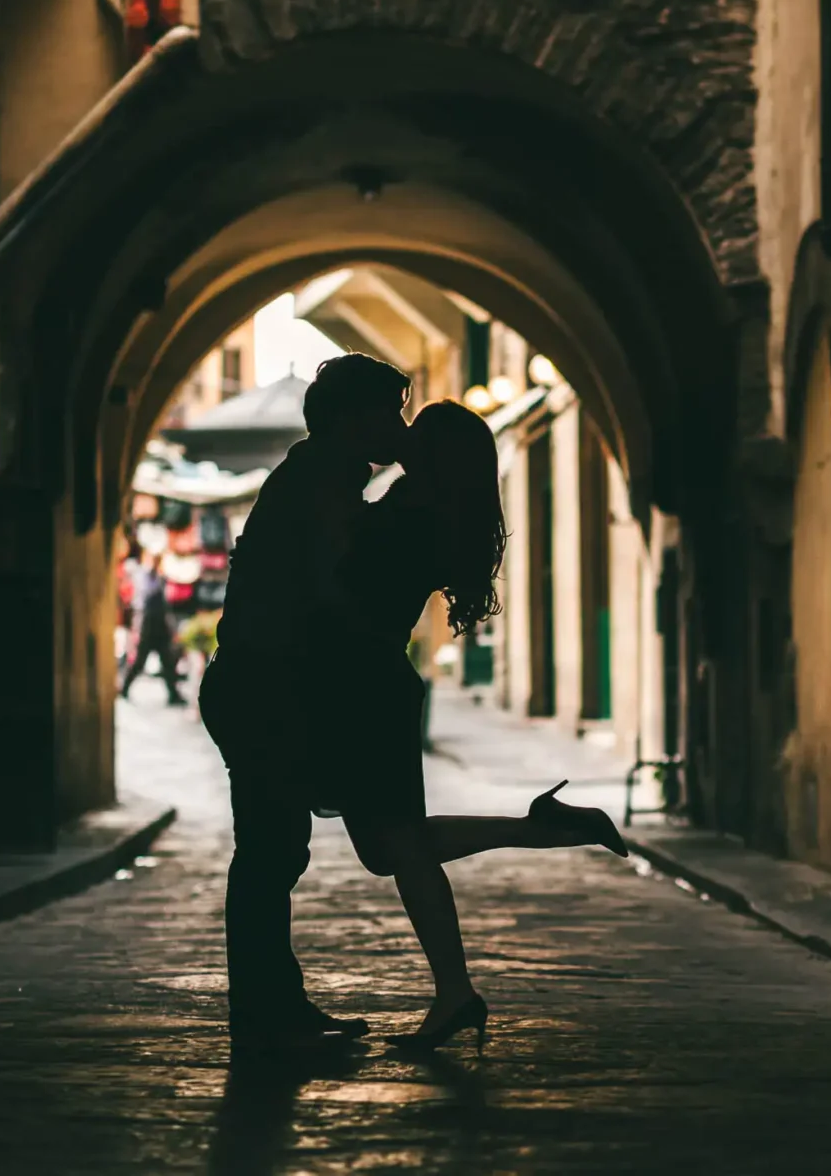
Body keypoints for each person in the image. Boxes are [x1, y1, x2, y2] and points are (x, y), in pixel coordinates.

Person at [320, 399, 628, 1056]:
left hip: (363, 689)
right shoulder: (436, 514)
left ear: (432, 454)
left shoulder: (408, 513)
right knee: (390, 848)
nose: (403, 436)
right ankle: (543, 830)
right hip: (375, 684)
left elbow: (341, 583)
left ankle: (456, 990)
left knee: (395, 848)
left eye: (417, 433)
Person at [199, 353, 413, 1055]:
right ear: (357, 420)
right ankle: (264, 1011)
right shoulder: (322, 481)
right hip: (264, 689)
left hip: (262, 686)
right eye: (394, 411)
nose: (401, 425)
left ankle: (272, 1004)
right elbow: (337, 588)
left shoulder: (324, 476)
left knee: (272, 850)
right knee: (269, 851)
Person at [121, 547, 186, 706]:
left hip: (159, 626)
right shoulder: (146, 576)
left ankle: (173, 694)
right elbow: (146, 596)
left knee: (168, 662)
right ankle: (125, 687)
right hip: (149, 625)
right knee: (140, 661)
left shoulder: (161, 577)